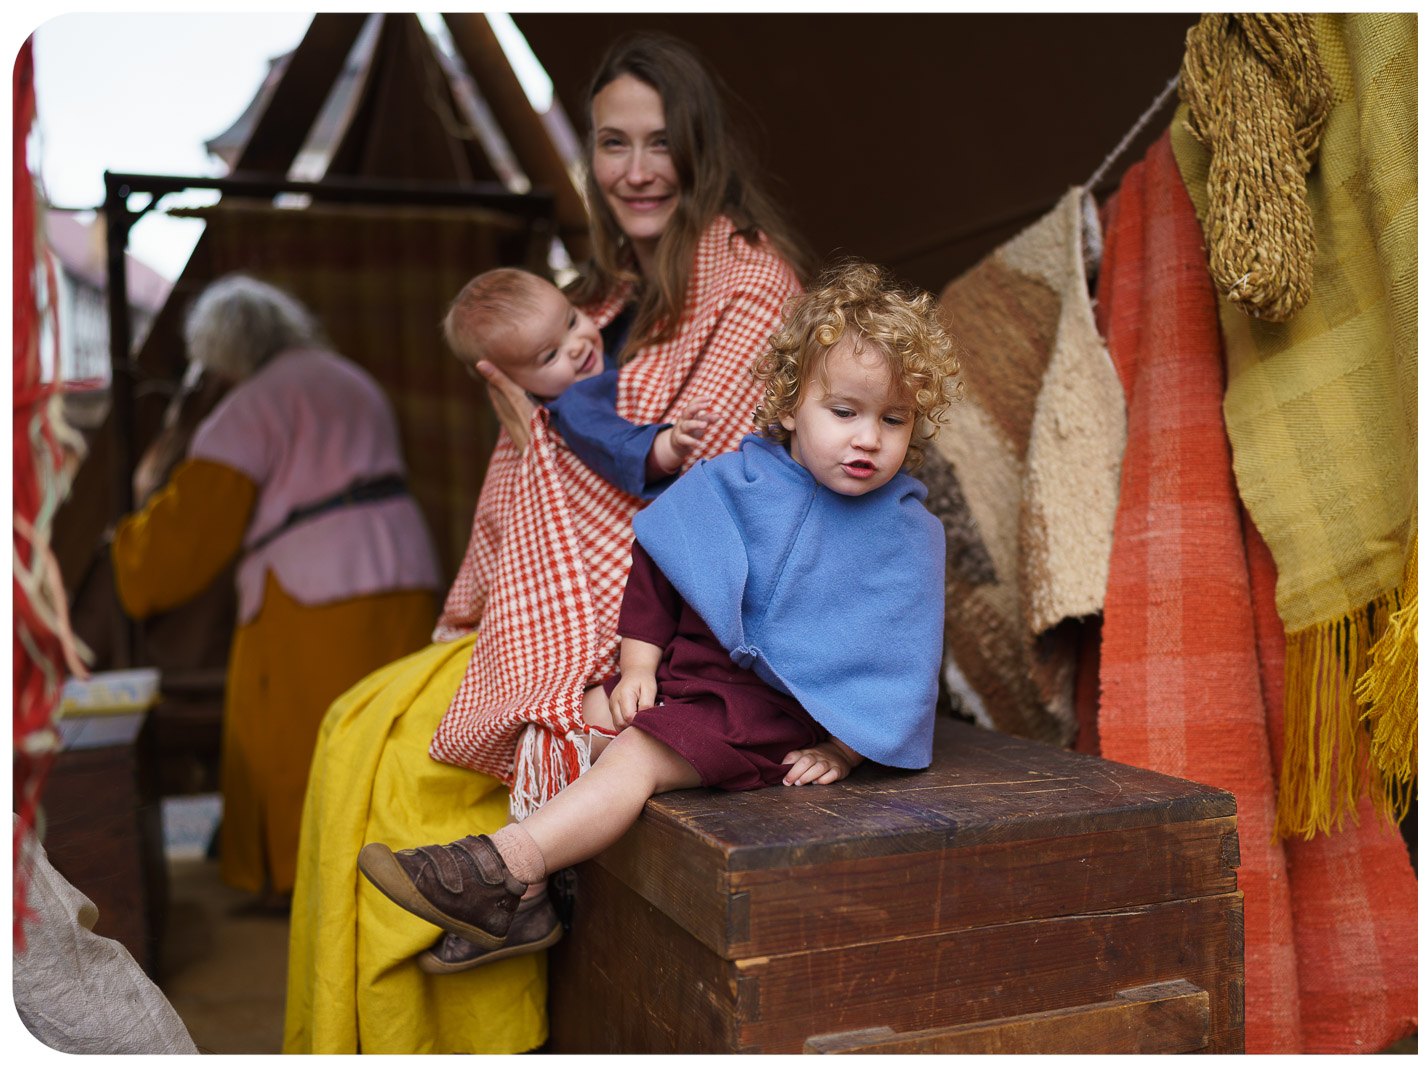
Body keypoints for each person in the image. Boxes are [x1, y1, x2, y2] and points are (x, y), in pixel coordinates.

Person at [284, 32, 809, 1054]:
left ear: (703, 147)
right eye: (613, 143)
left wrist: (549, 459)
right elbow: (531, 472)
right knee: (353, 728)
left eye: (661, 141)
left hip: (664, 621)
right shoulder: (597, 299)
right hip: (546, 595)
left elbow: (704, 493)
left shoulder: (750, 287)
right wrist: (476, 601)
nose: (637, 170)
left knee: (410, 779)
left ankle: (480, 1019)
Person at [357, 261, 962, 961]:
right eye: (844, 412)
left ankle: (499, 868)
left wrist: (843, 749)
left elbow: (901, 656)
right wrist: (639, 664)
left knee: (637, 755)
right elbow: (661, 562)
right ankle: (528, 906)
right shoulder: (736, 478)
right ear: (791, 405)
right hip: (687, 681)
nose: (868, 438)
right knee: (573, 721)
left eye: (894, 419)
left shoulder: (907, 532)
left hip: (771, 714)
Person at [112, 275, 440, 905]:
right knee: (391, 733)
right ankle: (400, 868)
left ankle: (306, 880)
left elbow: (197, 525)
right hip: (402, 566)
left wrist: (130, 551)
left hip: (312, 589)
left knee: (298, 738)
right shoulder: (350, 378)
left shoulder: (253, 404)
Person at [441, 267, 714, 500]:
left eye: (571, 322)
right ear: (513, 383)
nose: (576, 346)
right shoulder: (576, 406)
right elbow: (619, 449)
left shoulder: (597, 354)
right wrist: (670, 445)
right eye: (550, 355)